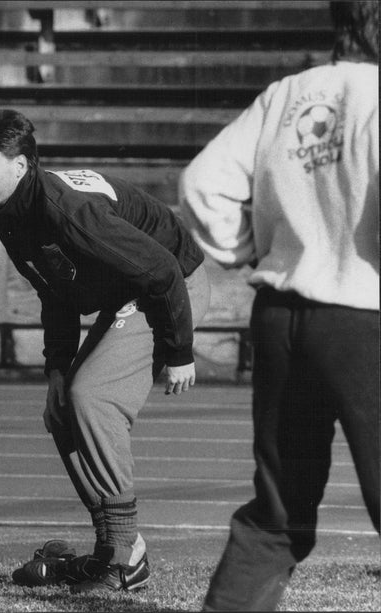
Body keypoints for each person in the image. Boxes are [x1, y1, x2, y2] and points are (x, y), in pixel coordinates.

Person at [0, 109, 210, 593]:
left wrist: (180, 351)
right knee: (62, 409)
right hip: (134, 286)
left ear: (22, 164)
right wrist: (56, 370)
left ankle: (125, 555)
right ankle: (113, 546)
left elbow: (162, 271)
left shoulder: (68, 209)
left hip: (173, 285)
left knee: (93, 397)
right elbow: (55, 294)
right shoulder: (13, 218)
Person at [179, 2, 379, 610]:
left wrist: (248, 249)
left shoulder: (287, 94)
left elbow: (201, 184)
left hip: (280, 314)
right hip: (365, 319)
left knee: (278, 512)